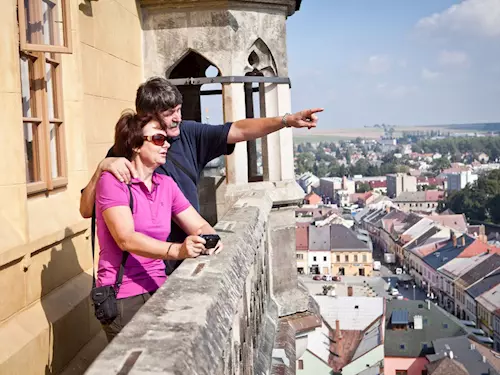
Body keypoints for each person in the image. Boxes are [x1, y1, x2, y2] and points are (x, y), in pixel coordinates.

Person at [81, 77, 322, 273]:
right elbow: (86, 210)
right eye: (168, 113)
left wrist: (286, 120)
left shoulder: (188, 134)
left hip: (185, 258)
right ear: (146, 117)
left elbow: (237, 129)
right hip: (140, 269)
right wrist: (102, 166)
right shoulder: (124, 150)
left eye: (178, 109)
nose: (178, 117)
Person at [95, 110, 222, 341]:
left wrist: (211, 238)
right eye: (157, 139)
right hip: (124, 296)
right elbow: (126, 239)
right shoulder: (113, 182)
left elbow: (198, 224)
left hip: (159, 286)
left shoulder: (165, 184)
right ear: (135, 144)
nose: (166, 145)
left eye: (166, 139)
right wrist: (178, 250)